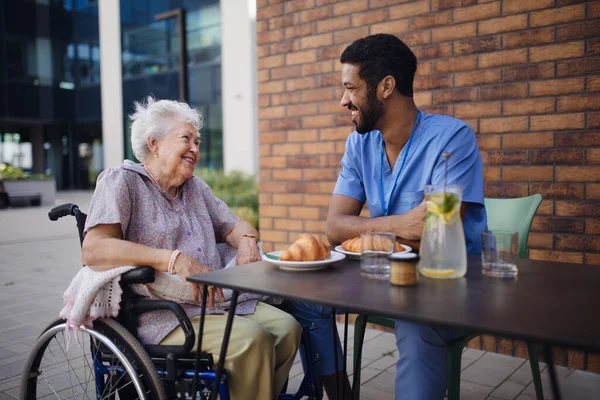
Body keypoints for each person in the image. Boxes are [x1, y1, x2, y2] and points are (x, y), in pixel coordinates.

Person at [292, 33, 488, 399]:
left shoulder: (451, 140)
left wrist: (373, 229)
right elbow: (335, 227)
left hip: (443, 285)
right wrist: (401, 224)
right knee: (304, 298)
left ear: (386, 87)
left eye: (351, 88)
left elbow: (436, 234)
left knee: (416, 324)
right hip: (383, 274)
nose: (342, 100)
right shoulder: (359, 143)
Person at [81, 96, 301, 400]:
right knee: (254, 340)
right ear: (154, 143)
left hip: (213, 302)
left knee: (288, 329)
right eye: (186, 138)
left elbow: (237, 226)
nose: (195, 148)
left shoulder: (196, 189)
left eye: (197, 140)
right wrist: (172, 260)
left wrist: (248, 242)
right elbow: (93, 249)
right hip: (163, 316)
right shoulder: (123, 182)